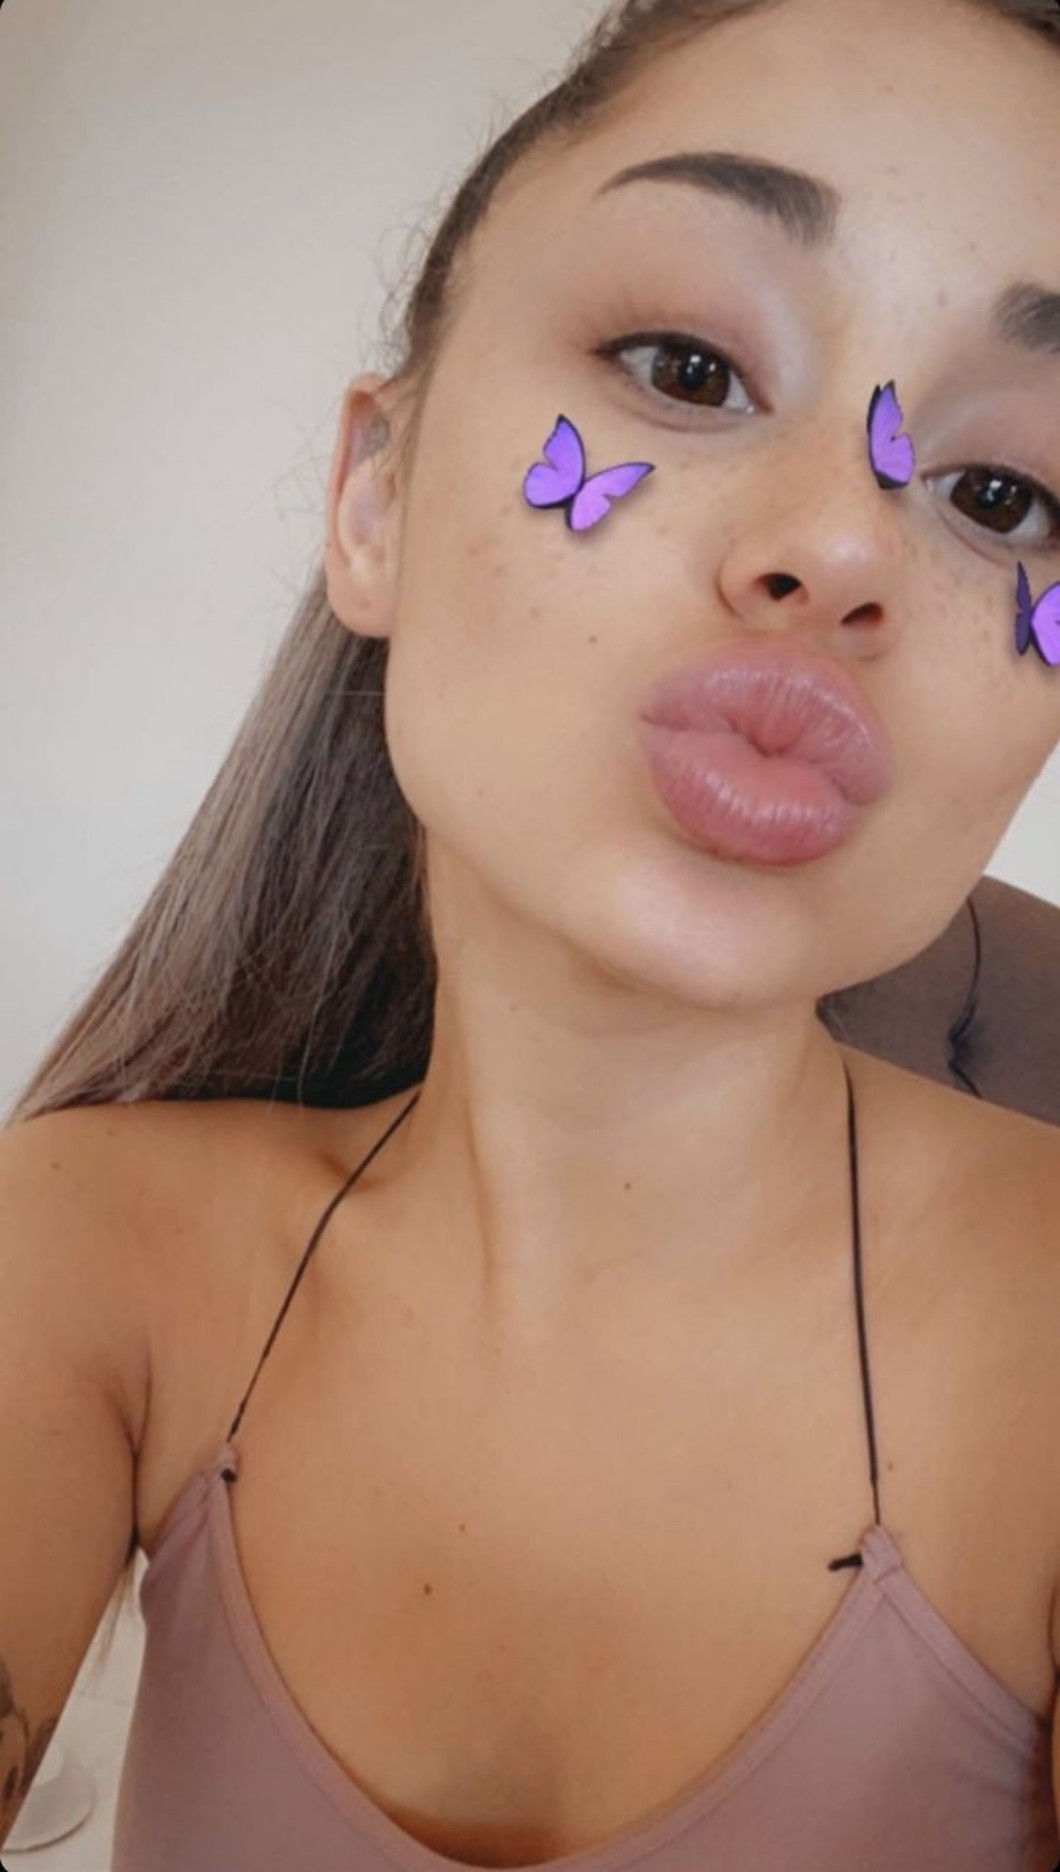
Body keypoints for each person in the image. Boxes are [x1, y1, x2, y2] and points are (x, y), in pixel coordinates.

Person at [2, 0, 1059, 1866]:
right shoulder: (86, 1254)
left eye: (1004, 495)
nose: (843, 546)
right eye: (688, 364)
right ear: (376, 496)